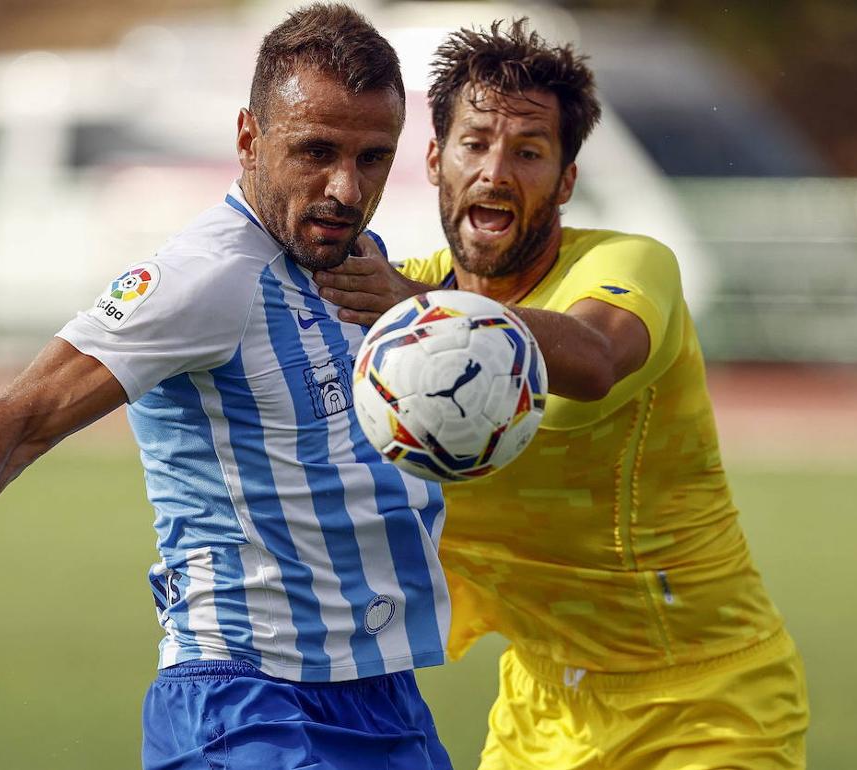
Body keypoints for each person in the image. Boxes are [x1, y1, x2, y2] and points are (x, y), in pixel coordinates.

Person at [0, 5, 454, 768]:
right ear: (248, 138)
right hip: (247, 700)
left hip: (380, 692)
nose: (345, 186)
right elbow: (27, 412)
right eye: (316, 151)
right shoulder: (202, 280)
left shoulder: (358, 258)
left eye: (374, 158)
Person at [315, 18, 809, 770]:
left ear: (567, 179)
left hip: (708, 701)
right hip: (542, 715)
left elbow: (598, 355)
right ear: (436, 159)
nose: (496, 170)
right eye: (475, 144)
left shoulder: (628, 264)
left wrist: (418, 308)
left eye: (530, 151)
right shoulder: (396, 305)